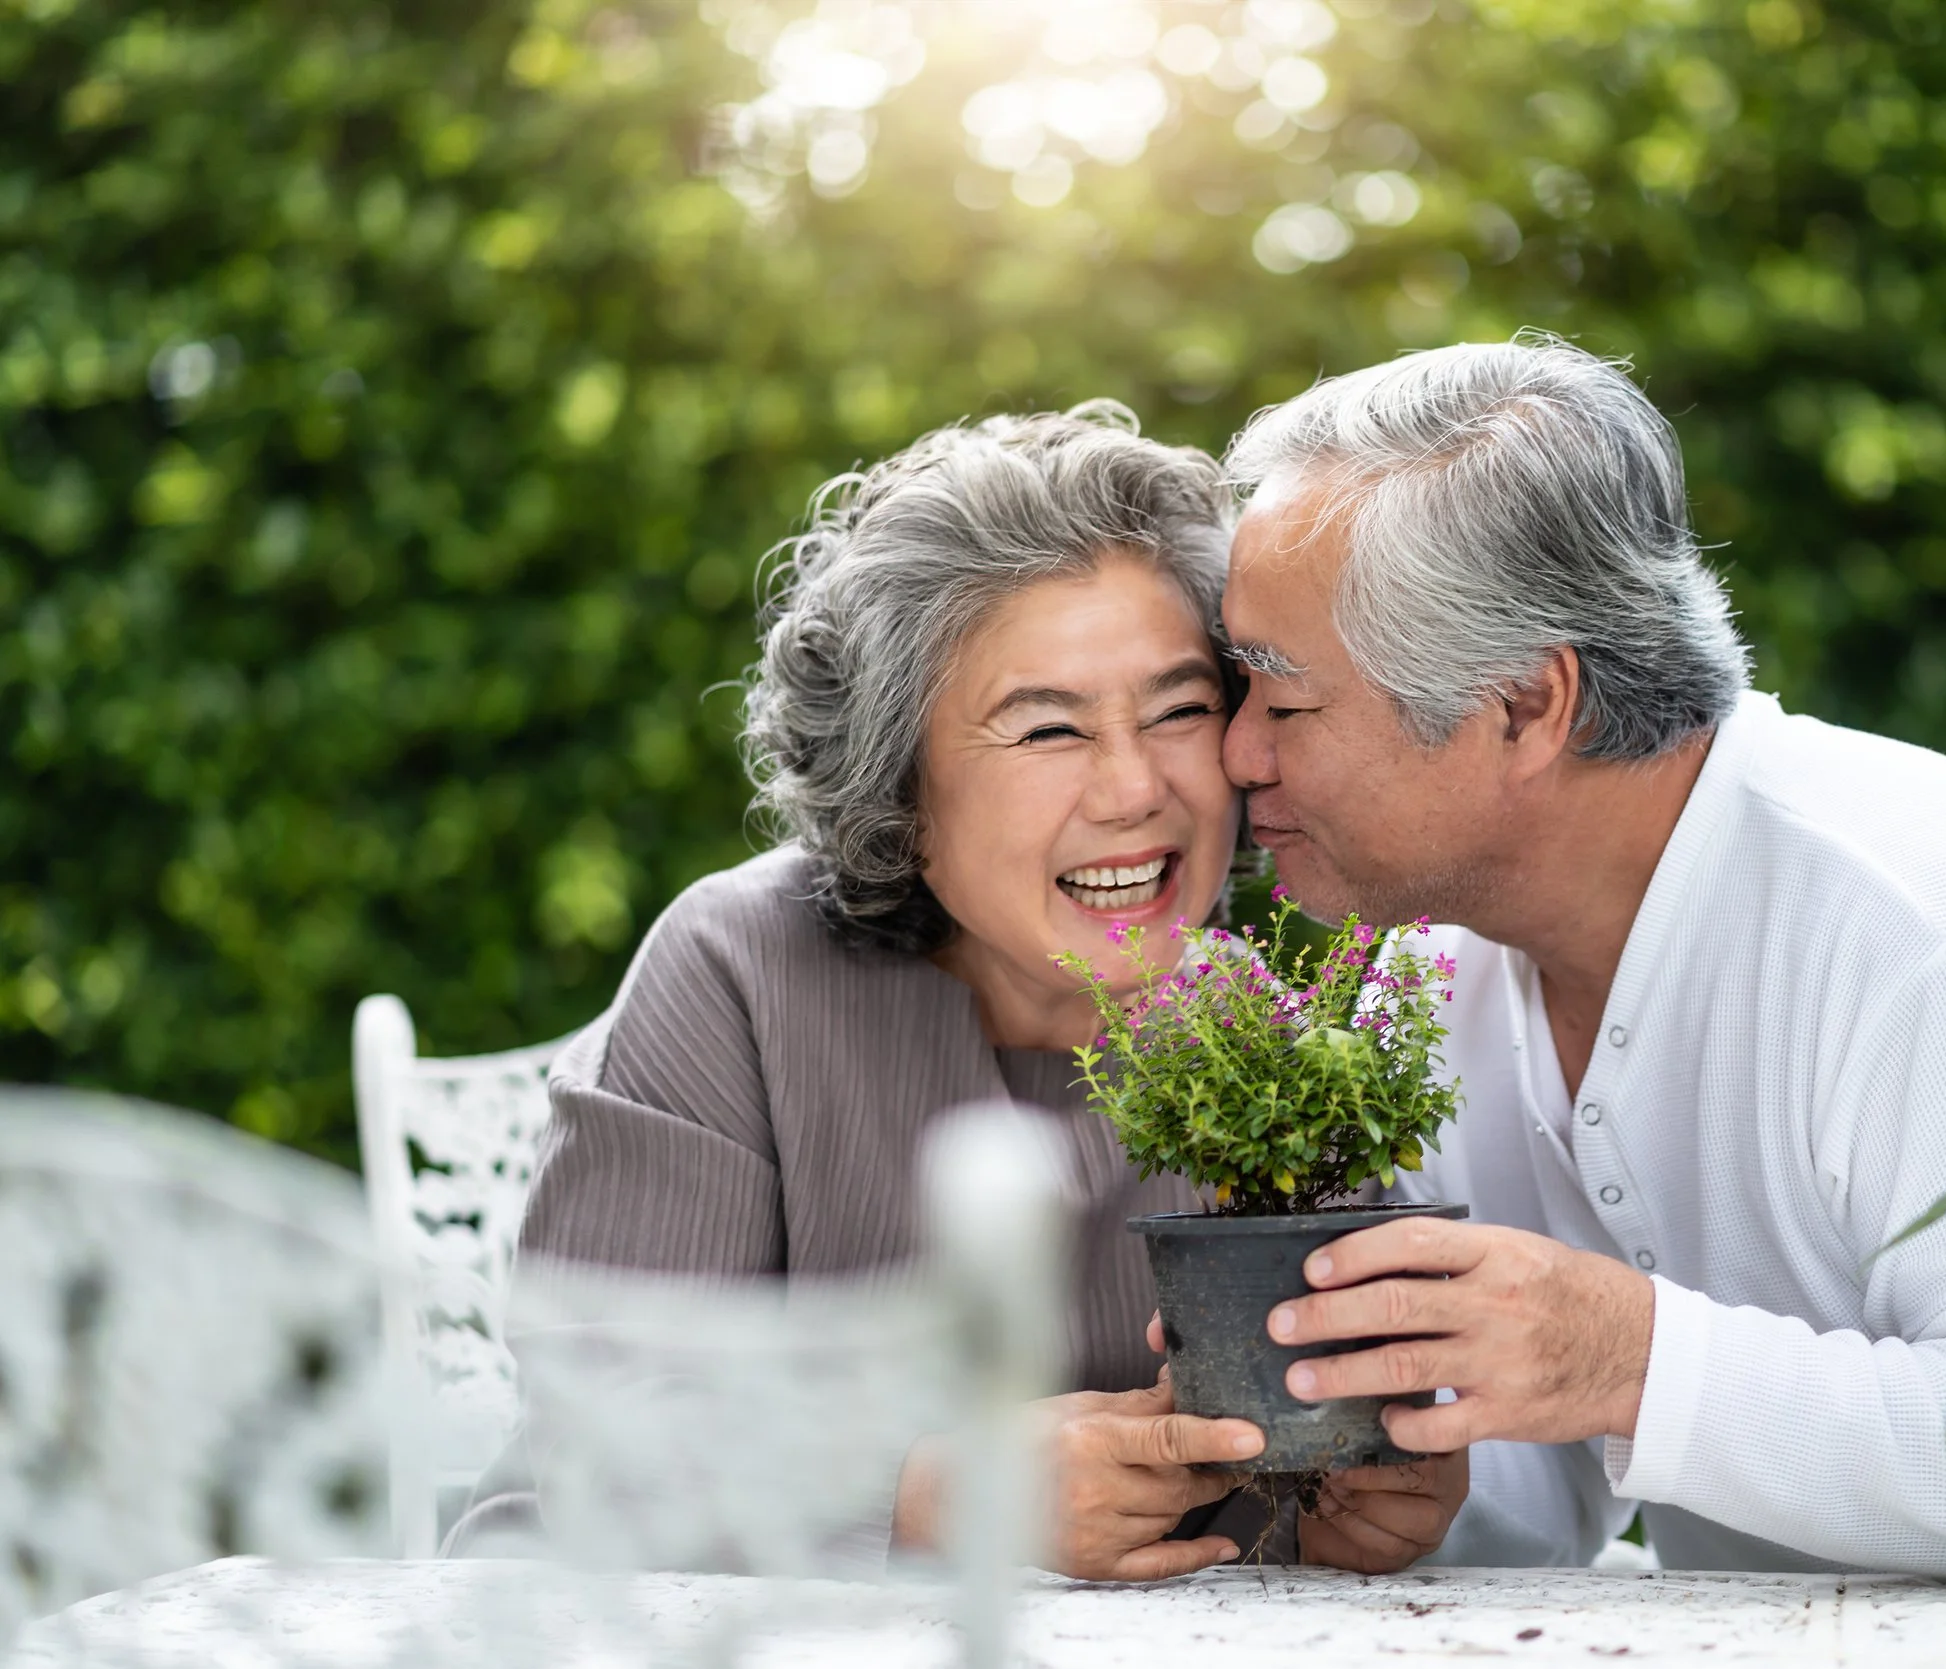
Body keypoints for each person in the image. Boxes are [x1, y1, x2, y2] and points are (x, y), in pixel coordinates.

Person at [1207, 335, 1946, 1576]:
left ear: (1526, 705)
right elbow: (1527, 1494)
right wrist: (1414, 1486)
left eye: (1282, 699)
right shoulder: (1435, 973)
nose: (1235, 754)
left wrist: (1634, 1360)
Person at [489, 404, 1462, 1577]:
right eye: (1048, 728)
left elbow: (1312, 1483)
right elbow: (596, 1439)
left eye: (1180, 710)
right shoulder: (738, 969)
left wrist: (1379, 1501)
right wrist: (935, 1496)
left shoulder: (1257, 1042)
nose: (1133, 789)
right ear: (897, 787)